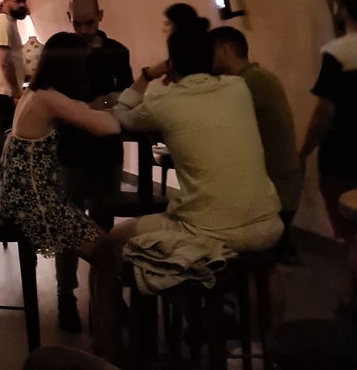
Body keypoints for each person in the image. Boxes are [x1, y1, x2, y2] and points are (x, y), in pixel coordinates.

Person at [0, 32, 123, 352]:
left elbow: (79, 109)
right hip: (37, 206)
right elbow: (108, 127)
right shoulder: (50, 98)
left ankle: (99, 324)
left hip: (17, 200)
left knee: (104, 249)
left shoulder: (34, 93)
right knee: (107, 251)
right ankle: (107, 342)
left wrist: (95, 106)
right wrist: (115, 108)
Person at [112, 26, 282, 253]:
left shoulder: (163, 101)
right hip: (270, 226)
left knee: (114, 238)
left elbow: (121, 112)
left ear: (171, 63)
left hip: (209, 232)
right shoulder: (238, 87)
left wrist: (148, 75)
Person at [54, 0, 134, 331]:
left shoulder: (117, 52)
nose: (84, 30)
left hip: (104, 149)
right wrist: (100, 103)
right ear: (69, 18)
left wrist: (102, 104)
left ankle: (105, 293)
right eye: (78, 23)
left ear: (100, 16)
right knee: (69, 225)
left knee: (103, 226)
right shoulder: (61, 53)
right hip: (71, 149)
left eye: (89, 22)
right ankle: (66, 295)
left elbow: (128, 97)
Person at [210, 24, 302, 261]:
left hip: (274, 192)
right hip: (281, 186)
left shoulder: (248, 83)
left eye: (209, 52)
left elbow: (219, 129)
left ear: (224, 51)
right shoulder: (258, 77)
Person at [299, 0, 357, 315]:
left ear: (344, 11)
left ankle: (353, 302)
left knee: (351, 235)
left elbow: (325, 111)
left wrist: (304, 150)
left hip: (343, 153)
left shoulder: (337, 53)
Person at [0, 0, 29, 153]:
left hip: (6, 91)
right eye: (18, 1)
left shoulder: (9, 22)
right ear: (5, 2)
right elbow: (4, 61)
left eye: (24, 1)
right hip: (4, 93)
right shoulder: (3, 23)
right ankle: (1, 168)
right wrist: (16, 92)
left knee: (8, 139)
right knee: (7, 140)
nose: (22, 5)